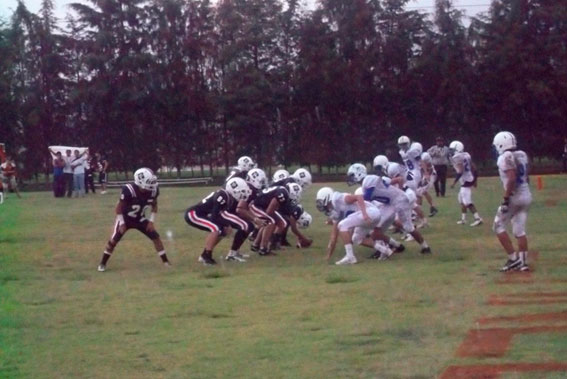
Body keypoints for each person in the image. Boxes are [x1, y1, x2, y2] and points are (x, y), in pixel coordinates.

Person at [97, 168, 170, 272]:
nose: (152, 184)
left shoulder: (153, 191)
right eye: (149, 181)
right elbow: (118, 209)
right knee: (113, 240)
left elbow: (154, 205)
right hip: (125, 218)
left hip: (139, 218)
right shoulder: (129, 190)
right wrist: (122, 223)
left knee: (156, 237)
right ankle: (102, 263)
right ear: (140, 181)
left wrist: (151, 221)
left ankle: (166, 262)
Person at [185, 177, 251, 265]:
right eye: (241, 191)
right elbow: (214, 216)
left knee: (221, 231)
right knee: (215, 228)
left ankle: (205, 254)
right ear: (234, 190)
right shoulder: (223, 195)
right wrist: (227, 224)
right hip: (194, 214)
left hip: (201, 214)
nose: (242, 195)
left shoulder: (227, 196)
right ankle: (206, 257)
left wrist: (226, 226)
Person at [492, 131, 532, 272]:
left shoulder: (505, 157)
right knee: (519, 230)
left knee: (498, 226)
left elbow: (512, 178)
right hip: (526, 195)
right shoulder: (522, 154)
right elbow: (526, 176)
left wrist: (506, 198)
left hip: (514, 197)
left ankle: (513, 259)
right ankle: (523, 262)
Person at [449, 141, 483, 226]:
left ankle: (477, 218)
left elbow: (460, 171)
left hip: (466, 180)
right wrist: (475, 180)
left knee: (467, 202)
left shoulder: (457, 157)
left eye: (453, 149)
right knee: (461, 199)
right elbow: (474, 167)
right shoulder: (466, 155)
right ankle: (463, 219)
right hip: (468, 178)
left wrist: (454, 182)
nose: (451, 151)